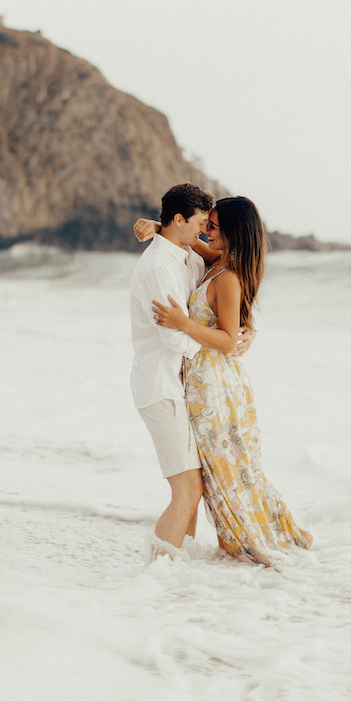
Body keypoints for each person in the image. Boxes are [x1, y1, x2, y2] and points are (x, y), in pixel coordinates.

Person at [147, 196, 312, 567]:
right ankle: (233, 545)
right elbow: (183, 239)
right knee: (223, 470)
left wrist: (185, 324)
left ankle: (277, 540)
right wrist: (156, 227)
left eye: (216, 227)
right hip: (204, 385)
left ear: (234, 232)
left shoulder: (229, 277)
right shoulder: (216, 261)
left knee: (230, 469)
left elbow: (227, 338)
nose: (207, 231)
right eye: (208, 224)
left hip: (217, 388)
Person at [130, 183, 253, 553]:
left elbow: (221, 295)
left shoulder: (190, 259)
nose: (204, 230)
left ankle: (177, 574)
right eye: (201, 222)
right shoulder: (158, 268)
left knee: (194, 487)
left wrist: (243, 333)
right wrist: (224, 342)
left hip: (182, 387)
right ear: (180, 219)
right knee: (188, 489)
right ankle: (155, 574)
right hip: (161, 385)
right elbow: (174, 340)